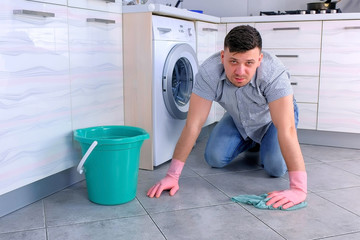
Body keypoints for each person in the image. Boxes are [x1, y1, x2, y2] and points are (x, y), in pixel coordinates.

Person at [147, 25, 307, 210]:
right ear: (222, 56)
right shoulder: (208, 72)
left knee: (275, 168)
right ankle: (254, 142)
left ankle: (264, 142)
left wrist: (298, 189)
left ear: (260, 60)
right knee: (214, 158)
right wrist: (172, 176)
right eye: (233, 61)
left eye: (249, 63)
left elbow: (285, 128)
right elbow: (193, 125)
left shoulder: (274, 74)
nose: (240, 71)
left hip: (272, 121)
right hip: (239, 118)